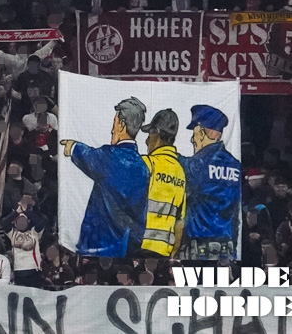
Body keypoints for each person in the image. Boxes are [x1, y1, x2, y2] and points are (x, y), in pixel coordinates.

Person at [60, 97, 150, 257]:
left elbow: (87, 155)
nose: (111, 130)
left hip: (97, 246)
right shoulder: (143, 168)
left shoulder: (109, 157)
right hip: (124, 249)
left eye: (114, 122)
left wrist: (72, 146)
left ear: (121, 125)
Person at [179, 105, 241, 260]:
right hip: (226, 249)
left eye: (195, 133)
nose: (192, 139)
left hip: (198, 249)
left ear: (202, 133)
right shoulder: (236, 166)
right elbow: (236, 214)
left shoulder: (196, 165)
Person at [139, 109, 186, 258]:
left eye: (149, 134)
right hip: (164, 253)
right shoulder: (180, 171)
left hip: (139, 249)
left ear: (157, 135)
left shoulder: (146, 164)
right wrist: (172, 254)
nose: (147, 141)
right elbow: (180, 222)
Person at [0, 204, 45, 287]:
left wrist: (26, 211)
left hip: (34, 270)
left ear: (28, 222)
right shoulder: (12, 234)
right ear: (15, 223)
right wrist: (17, 212)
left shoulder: (34, 233)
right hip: (18, 271)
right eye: (19, 221)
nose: (21, 223)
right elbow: (4, 223)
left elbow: (40, 223)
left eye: (24, 221)